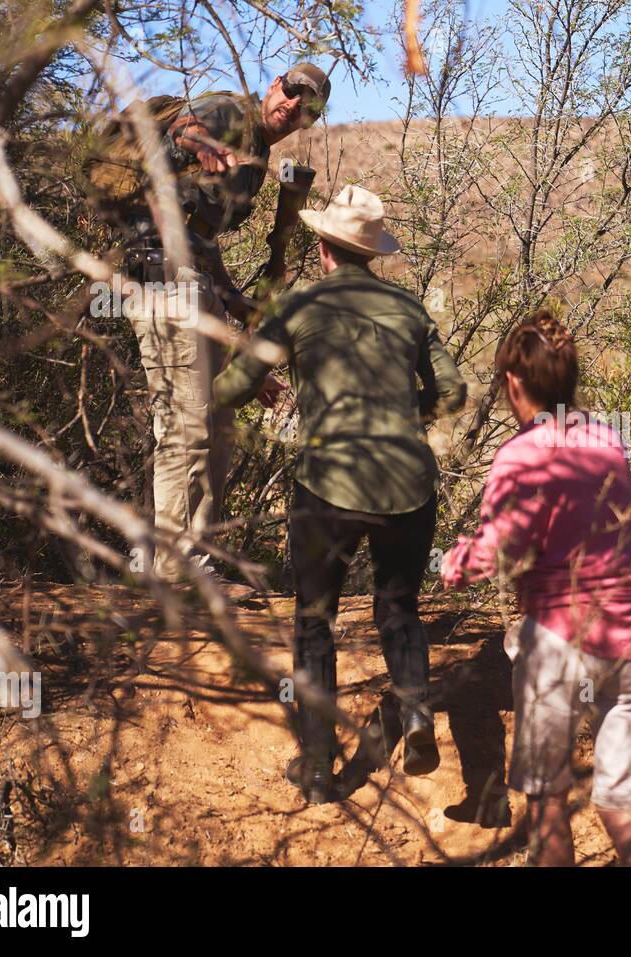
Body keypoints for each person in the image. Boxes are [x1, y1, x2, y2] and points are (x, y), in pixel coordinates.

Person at [213, 184, 467, 804]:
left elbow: (233, 387)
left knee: (314, 621)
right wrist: (405, 414)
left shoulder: (299, 306)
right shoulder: (408, 309)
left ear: (324, 247)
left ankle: (320, 766)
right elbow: (454, 392)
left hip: (327, 487)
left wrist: (238, 387)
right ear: (368, 253)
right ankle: (414, 713)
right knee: (398, 604)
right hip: (408, 485)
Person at [440, 312, 631, 866]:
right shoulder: (605, 438)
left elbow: (500, 550)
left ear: (514, 384)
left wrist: (452, 563)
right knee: (623, 804)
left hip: (564, 638)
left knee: (547, 803)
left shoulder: (518, 456)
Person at [125, 64, 330, 578]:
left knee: (216, 425)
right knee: (185, 423)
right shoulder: (231, 111)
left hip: (193, 277)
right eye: (290, 91)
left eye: (309, 107)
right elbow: (183, 129)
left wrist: (235, 303)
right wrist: (204, 146)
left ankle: (200, 559)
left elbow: (206, 235)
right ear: (272, 86)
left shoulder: (259, 155)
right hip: (162, 273)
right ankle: (177, 566)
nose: (293, 106)